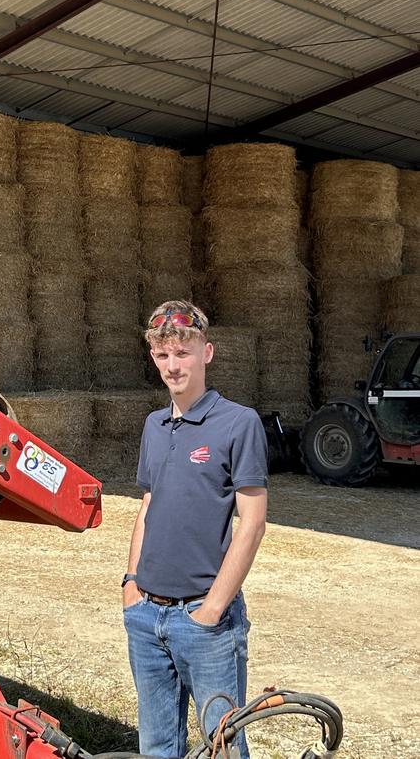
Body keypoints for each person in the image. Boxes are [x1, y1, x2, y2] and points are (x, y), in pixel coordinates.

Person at [123, 300, 268, 759]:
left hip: (205, 620)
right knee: (157, 747)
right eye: (163, 355)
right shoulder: (153, 424)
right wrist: (131, 586)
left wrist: (213, 610)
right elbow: (149, 504)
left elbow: (253, 523)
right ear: (153, 358)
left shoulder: (238, 423)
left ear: (207, 352)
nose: (173, 365)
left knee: (221, 747)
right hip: (147, 615)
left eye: (183, 353)